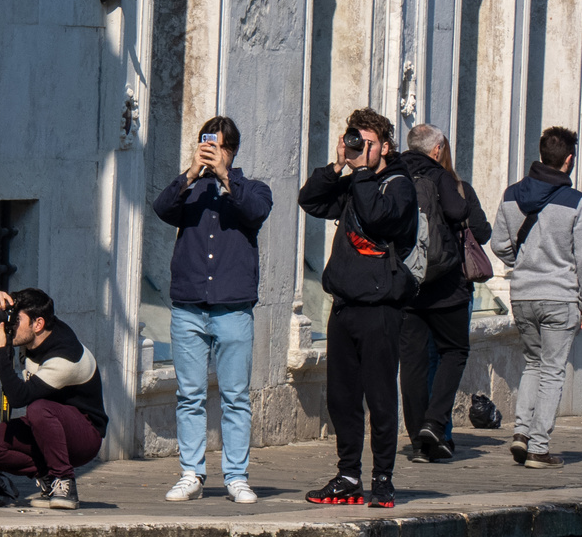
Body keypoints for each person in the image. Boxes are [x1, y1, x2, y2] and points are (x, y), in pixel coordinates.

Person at [298, 107, 416, 508]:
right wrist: (336, 166)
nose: (359, 150)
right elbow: (310, 200)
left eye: (366, 144)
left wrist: (362, 173)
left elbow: (380, 218)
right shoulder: (354, 182)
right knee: (342, 397)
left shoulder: (399, 185)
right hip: (345, 305)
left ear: (384, 146)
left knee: (380, 397)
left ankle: (382, 478)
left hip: (381, 307)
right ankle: (348, 476)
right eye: (355, 142)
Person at [152, 116, 274, 504]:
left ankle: (236, 476)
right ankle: (191, 473)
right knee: (190, 395)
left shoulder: (252, 188)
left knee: (235, 396)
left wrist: (225, 177)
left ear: (231, 149)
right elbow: (161, 207)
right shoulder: (190, 188)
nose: (210, 152)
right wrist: (191, 172)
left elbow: (256, 212)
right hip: (189, 305)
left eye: (216, 146)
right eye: (205, 144)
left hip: (232, 307)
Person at [491, 127, 582, 469]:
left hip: (522, 294)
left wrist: (520, 263)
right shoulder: (576, 201)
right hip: (560, 296)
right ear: (568, 160)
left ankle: (521, 433)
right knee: (552, 371)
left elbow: (498, 244)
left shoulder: (511, 195)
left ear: (540, 154)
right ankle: (538, 447)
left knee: (533, 363)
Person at [398, 123, 490, 463]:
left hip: (407, 284)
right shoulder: (444, 178)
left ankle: (417, 435)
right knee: (453, 351)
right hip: (445, 285)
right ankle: (435, 425)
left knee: (412, 363)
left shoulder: (394, 175)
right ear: (437, 150)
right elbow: (461, 215)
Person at [0, 287, 107, 509]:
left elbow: (18, 398)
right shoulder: (31, 333)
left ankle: (64, 481)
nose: (10, 326)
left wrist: (1, 352)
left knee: (38, 408)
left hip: (85, 435)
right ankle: (48, 479)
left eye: (16, 320)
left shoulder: (64, 358)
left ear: (38, 324)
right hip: (47, 429)